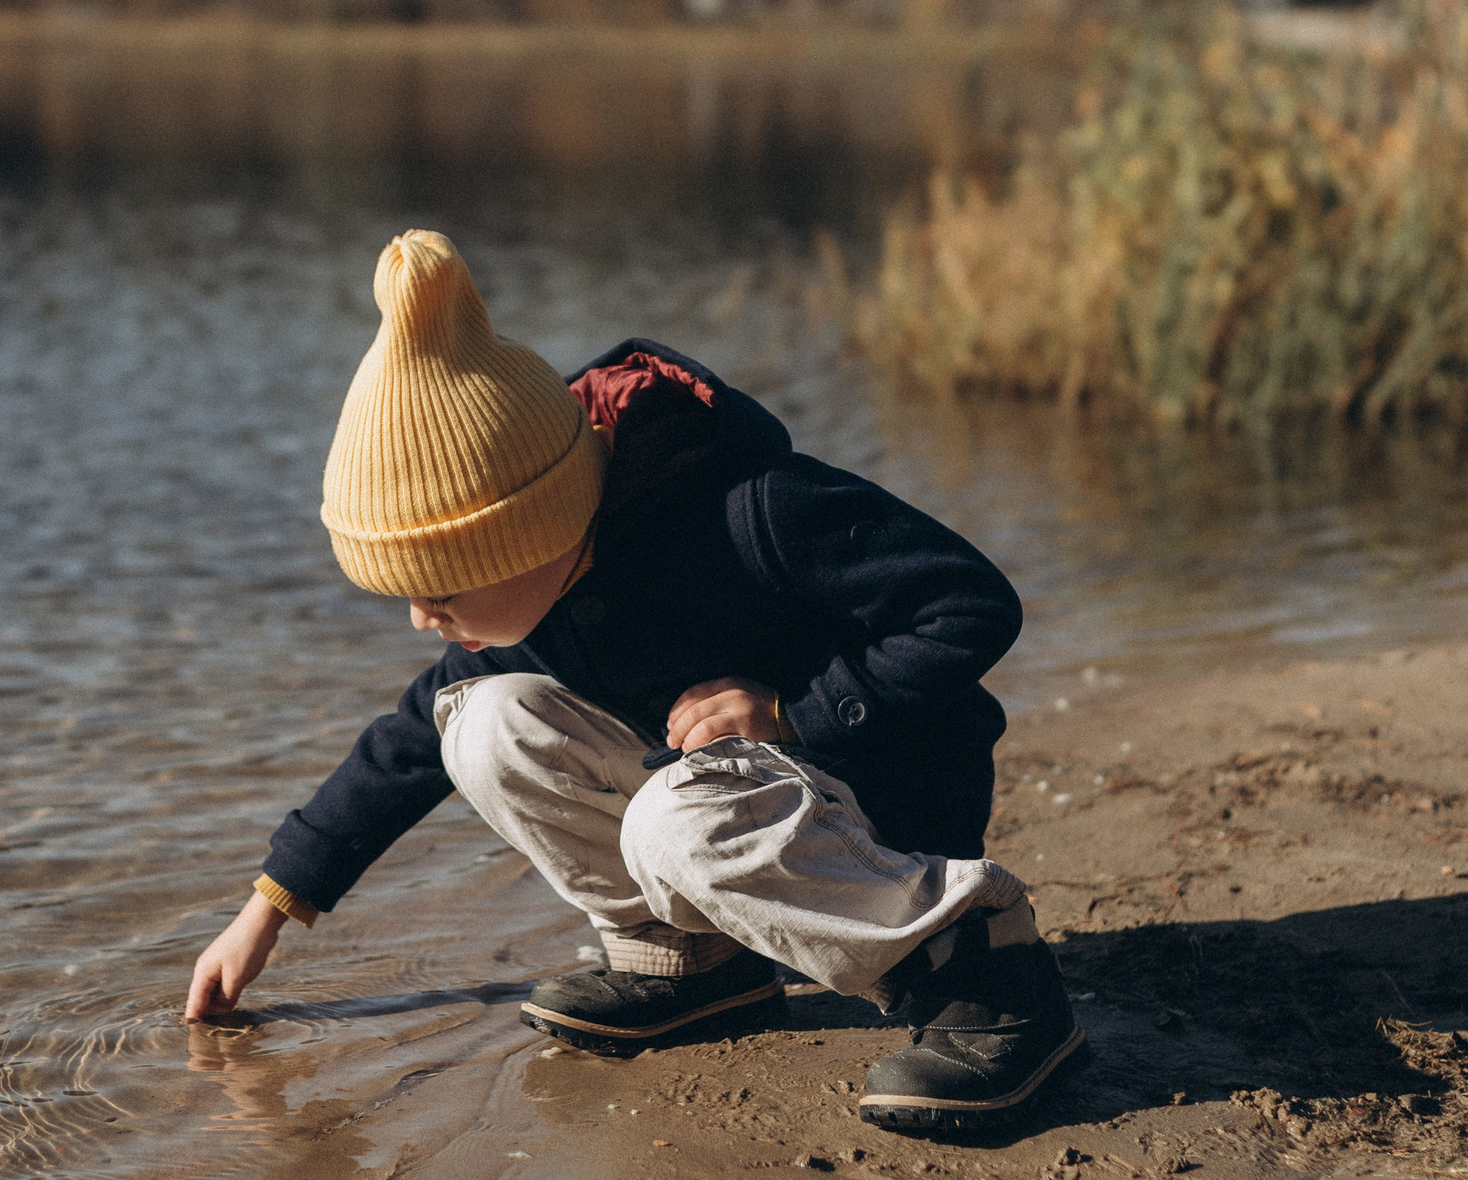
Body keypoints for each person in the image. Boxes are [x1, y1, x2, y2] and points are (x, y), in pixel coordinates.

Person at [183, 230, 1084, 1133]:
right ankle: (691, 964)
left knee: (672, 819)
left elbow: (970, 605)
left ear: (525, 533)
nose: (421, 617)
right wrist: (269, 907)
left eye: (440, 588)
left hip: (891, 792)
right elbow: (408, 744)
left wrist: (795, 709)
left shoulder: (751, 514)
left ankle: (983, 970)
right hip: (740, 803)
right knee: (478, 724)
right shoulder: (536, 595)